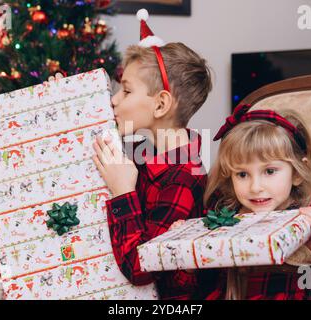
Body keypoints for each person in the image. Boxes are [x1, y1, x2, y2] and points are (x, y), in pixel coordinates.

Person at [92, 9, 213, 300]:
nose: (113, 100)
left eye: (126, 91)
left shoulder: (182, 177)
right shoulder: (143, 155)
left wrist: (123, 193)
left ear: (160, 105)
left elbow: (141, 268)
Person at [199, 104, 311, 300]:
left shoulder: (309, 216)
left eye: (270, 171)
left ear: (297, 173)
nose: (255, 187)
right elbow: (199, 286)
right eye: (242, 174)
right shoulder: (226, 212)